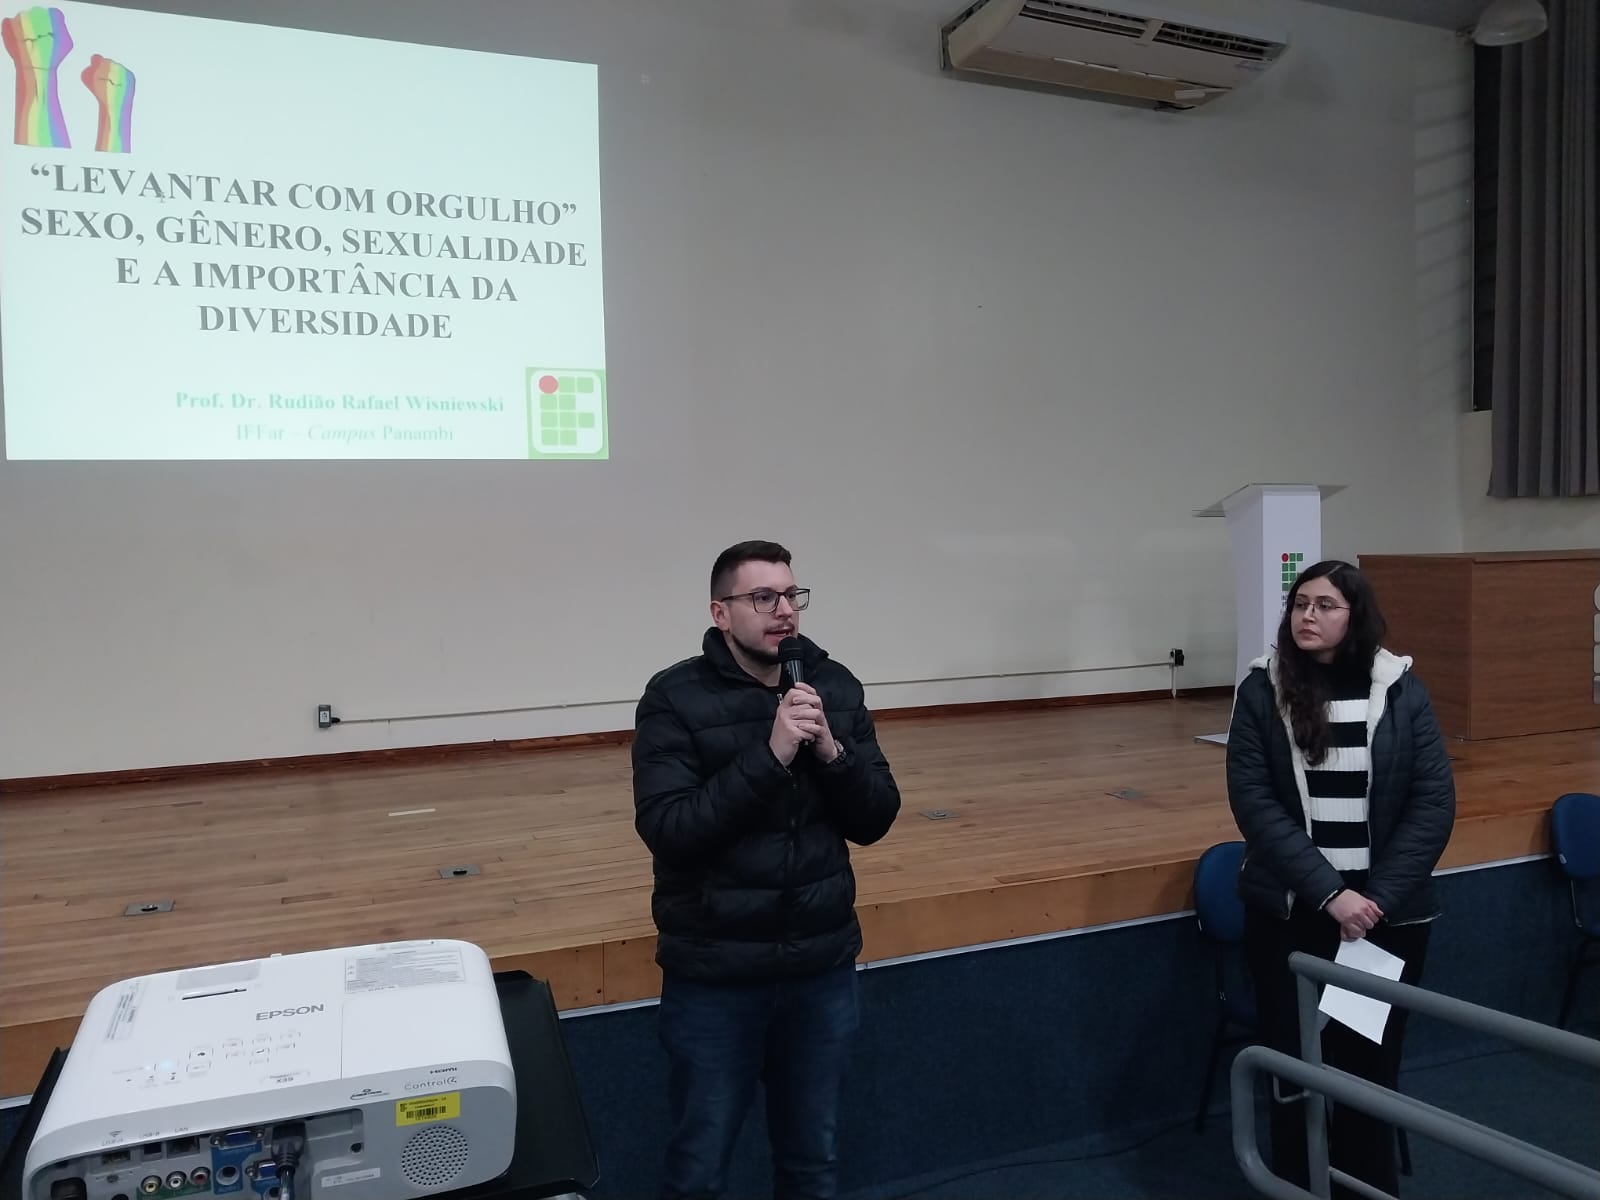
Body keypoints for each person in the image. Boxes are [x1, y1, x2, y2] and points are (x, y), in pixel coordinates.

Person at [632, 539, 902, 1200]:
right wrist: (771, 753)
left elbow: (875, 817)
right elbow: (672, 831)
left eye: (791, 595)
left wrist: (833, 752)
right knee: (698, 1171)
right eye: (763, 597)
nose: (784, 610)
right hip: (717, 976)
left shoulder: (833, 686)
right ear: (720, 613)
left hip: (819, 969)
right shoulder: (674, 698)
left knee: (813, 1163)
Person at [1226, 559, 1455, 1200]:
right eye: (1301, 604)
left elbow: (1433, 803)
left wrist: (1372, 900)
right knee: (1293, 1070)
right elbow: (1254, 803)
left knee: (1366, 1070)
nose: (1308, 615)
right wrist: (1331, 893)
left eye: (1325, 605)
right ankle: (1296, 1187)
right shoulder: (1261, 689)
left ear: (1356, 616)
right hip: (1293, 913)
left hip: (1380, 922)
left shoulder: (1401, 689)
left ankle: (1365, 1189)